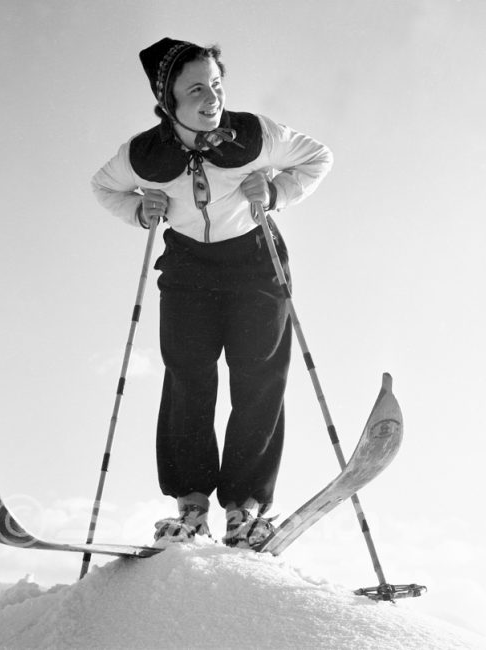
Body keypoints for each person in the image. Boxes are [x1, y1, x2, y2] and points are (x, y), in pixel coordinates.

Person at [91, 37, 333, 549]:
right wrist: (138, 210)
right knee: (188, 376)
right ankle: (192, 508)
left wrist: (275, 191)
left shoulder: (255, 135)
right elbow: (104, 186)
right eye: (196, 89)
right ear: (169, 102)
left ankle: (245, 510)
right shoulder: (143, 155)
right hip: (188, 269)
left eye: (216, 84)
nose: (212, 97)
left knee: (259, 377)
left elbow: (317, 158)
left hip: (255, 263)